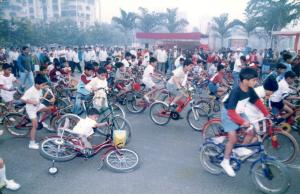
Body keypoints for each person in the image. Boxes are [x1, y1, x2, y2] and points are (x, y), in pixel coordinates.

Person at [220, 68, 269, 177]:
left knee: (252, 131)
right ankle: (225, 161)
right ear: (245, 81)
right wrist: (242, 122)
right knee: (233, 139)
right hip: (228, 112)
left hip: (240, 111)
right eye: (254, 80)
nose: (256, 82)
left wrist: (267, 114)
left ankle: (240, 149)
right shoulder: (236, 91)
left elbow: (257, 102)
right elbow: (231, 112)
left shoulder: (250, 90)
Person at [21, 74, 49, 149]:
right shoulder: (30, 91)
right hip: (31, 109)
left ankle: (40, 120)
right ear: (37, 84)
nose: (43, 86)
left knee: (48, 109)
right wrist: (31, 102)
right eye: (43, 85)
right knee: (35, 126)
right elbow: (22, 99)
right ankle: (31, 143)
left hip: (38, 105)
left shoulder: (39, 89)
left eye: (44, 85)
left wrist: (46, 93)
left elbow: (40, 98)